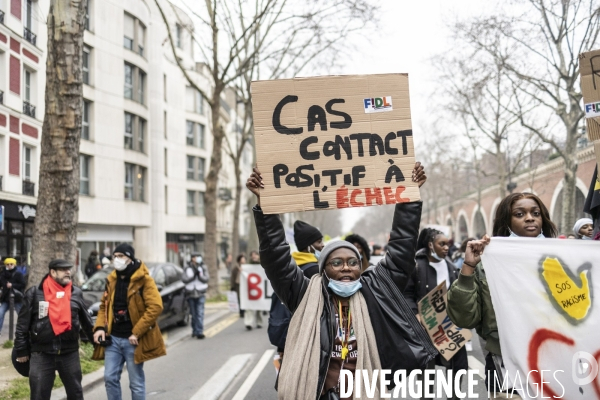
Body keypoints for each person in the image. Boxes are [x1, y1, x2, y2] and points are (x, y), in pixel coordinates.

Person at [246, 163, 437, 399]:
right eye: (336, 263)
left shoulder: (375, 292)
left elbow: (401, 249)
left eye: (352, 262)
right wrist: (266, 205)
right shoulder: (305, 294)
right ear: (323, 269)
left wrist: (410, 197)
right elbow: (276, 257)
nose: (346, 267)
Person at [447, 192, 557, 399]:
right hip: (506, 362)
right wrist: (469, 267)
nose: (530, 218)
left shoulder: (562, 258)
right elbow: (464, 318)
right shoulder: (488, 263)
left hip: (557, 357)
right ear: (507, 221)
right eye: (519, 213)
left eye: (535, 213)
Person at [92, 244, 166, 400]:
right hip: (113, 339)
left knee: (136, 383)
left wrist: (136, 332)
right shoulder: (112, 279)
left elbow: (156, 306)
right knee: (110, 378)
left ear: (130, 258)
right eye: (115, 256)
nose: (117, 259)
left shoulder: (144, 280)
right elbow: (104, 306)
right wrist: (99, 327)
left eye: (121, 256)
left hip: (133, 340)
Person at [14, 259, 94, 400]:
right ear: (52, 272)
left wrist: (97, 342)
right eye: (63, 270)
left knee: (75, 394)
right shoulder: (34, 293)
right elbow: (22, 325)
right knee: (39, 395)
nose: (68, 272)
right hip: (41, 354)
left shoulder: (76, 293)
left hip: (69, 353)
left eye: (68, 269)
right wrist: (21, 350)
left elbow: (87, 322)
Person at [404, 228, 468, 399]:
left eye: (447, 244)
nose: (446, 247)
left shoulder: (452, 267)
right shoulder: (417, 266)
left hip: (450, 325)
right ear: (430, 245)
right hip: (426, 327)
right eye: (442, 244)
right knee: (427, 373)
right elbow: (407, 294)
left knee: (458, 368)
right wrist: (416, 314)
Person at [268, 220, 323, 365]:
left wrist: (282, 345)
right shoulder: (314, 270)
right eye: (318, 242)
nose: (322, 245)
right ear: (308, 246)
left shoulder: (289, 268)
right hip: (310, 336)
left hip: (290, 335)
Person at [182, 253, 209, 339]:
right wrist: (193, 277)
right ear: (192, 258)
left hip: (200, 293)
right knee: (193, 314)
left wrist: (199, 276)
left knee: (200, 313)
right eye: (195, 257)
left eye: (198, 257)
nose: (197, 259)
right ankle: (194, 330)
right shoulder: (187, 267)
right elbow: (184, 279)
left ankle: (199, 331)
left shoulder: (203, 267)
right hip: (190, 293)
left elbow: (206, 279)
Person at [0, 258, 26, 337]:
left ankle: (25, 331)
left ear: (14, 264)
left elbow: (23, 284)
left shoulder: (18, 274)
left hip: (16, 298)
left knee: (21, 314)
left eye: (11, 264)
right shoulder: (2, 274)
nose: (9, 266)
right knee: (0, 313)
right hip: (6, 298)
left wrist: (12, 285)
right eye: (8, 264)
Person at [244, 250, 263, 330]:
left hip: (260, 289)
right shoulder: (247, 266)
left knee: (260, 307)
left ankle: (259, 322)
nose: (254, 256)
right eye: (252, 255)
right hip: (250, 289)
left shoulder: (262, 264)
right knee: (249, 306)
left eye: (255, 254)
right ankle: (248, 323)